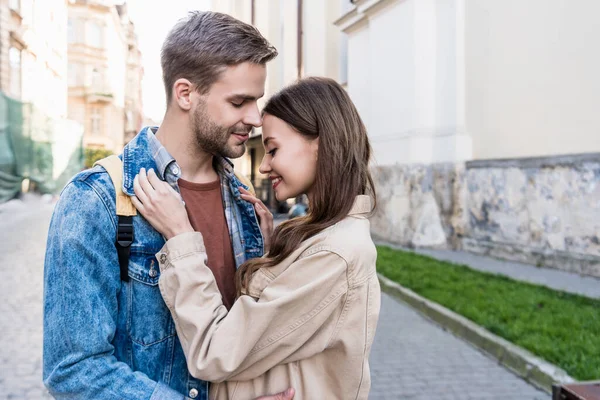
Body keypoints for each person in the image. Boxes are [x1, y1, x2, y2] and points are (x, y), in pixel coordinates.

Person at [43, 11, 293, 400]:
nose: (255, 118)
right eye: (240, 101)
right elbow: (74, 369)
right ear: (186, 94)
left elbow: (239, 339)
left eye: (256, 101)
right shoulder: (97, 201)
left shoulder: (244, 201)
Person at [131, 77, 381, 399]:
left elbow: (214, 352)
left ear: (320, 144)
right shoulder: (324, 238)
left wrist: (180, 237)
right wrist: (274, 255)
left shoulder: (335, 254)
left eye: (273, 149)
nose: (263, 167)